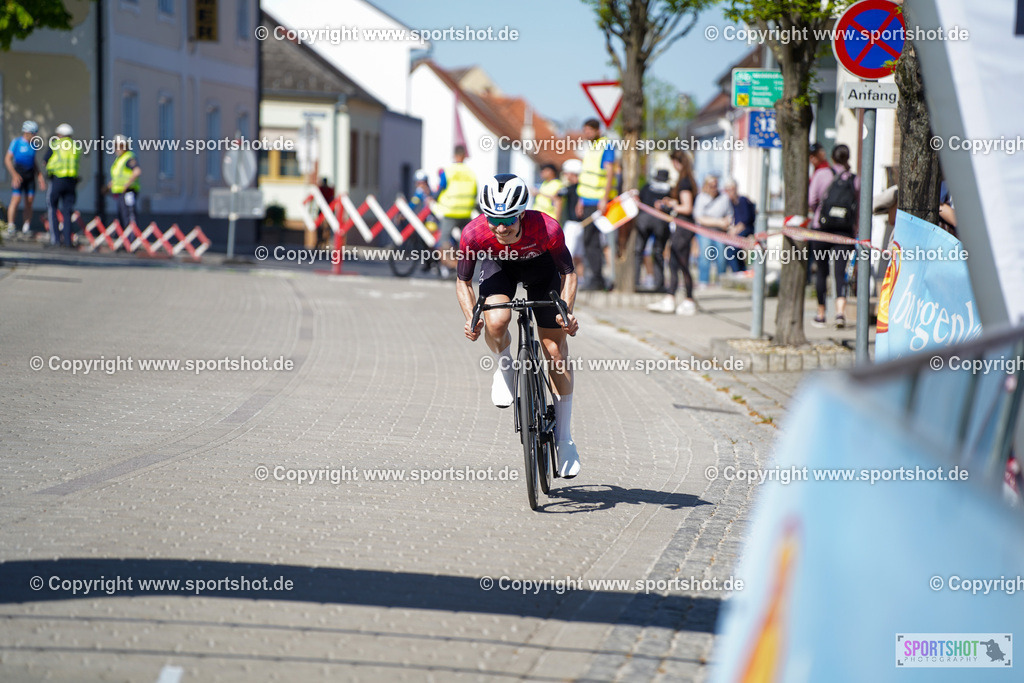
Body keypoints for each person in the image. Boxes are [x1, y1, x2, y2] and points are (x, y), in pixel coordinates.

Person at [455, 174, 581, 478]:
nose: (500, 227)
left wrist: (566, 312)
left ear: (522, 213)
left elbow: (569, 274)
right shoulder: (474, 233)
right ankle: (505, 365)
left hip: (542, 270)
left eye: (508, 219)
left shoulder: (547, 228)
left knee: (554, 351)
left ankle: (564, 439)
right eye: (494, 219)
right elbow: (463, 281)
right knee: (496, 319)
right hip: (501, 269)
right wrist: (471, 316)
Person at [808, 143, 860, 328]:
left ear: (832, 157)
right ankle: (840, 313)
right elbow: (859, 207)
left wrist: (820, 213)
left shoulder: (821, 174)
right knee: (840, 272)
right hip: (844, 232)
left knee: (821, 272)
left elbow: (811, 199)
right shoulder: (855, 179)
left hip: (822, 229)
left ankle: (821, 314)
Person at [648, 150, 698, 315]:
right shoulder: (687, 180)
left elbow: (687, 207)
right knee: (676, 262)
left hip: (684, 226)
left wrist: (670, 206)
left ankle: (687, 299)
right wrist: (671, 202)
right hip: (684, 226)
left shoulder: (684, 182)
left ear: (678, 162)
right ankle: (673, 297)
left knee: (681, 262)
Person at [575, 118, 616, 290]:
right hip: (587, 200)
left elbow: (609, 172)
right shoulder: (590, 148)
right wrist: (580, 200)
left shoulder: (606, 145)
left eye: (589, 131)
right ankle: (595, 277)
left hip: (599, 201)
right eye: (584, 131)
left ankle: (599, 279)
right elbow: (586, 177)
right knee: (589, 241)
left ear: (597, 130)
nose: (586, 134)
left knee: (599, 241)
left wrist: (604, 198)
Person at [633, 168, 673, 292]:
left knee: (638, 251)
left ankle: (634, 282)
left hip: (644, 220)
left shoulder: (647, 187)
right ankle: (659, 283)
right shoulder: (670, 190)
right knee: (658, 252)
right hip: (661, 222)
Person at [5, 121, 46, 237]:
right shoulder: (16, 142)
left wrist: (40, 176)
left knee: (29, 201)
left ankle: (26, 226)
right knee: (16, 200)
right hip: (19, 175)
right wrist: (14, 175)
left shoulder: (34, 145)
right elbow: (7, 159)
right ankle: (11, 225)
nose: (35, 136)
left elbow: (33, 161)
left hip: (30, 176)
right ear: (27, 132)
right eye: (33, 133)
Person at [43, 123, 80, 247]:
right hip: (71, 182)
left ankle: (56, 240)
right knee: (67, 211)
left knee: (52, 207)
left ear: (59, 134)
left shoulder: (55, 145)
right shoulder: (76, 146)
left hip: (57, 180)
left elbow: (45, 161)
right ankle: (68, 241)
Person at [693, 174, 733, 287]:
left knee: (721, 257)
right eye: (711, 185)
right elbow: (699, 218)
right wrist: (719, 222)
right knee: (705, 256)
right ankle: (703, 281)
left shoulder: (724, 198)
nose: (713, 187)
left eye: (715, 185)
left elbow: (729, 214)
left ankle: (721, 281)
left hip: (720, 232)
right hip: (704, 231)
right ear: (705, 185)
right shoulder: (701, 198)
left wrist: (726, 223)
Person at [436, 144, 477, 253]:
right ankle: (463, 261)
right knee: (466, 238)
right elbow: (475, 193)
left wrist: (435, 199)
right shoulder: (470, 173)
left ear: (455, 155)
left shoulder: (448, 171)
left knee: (444, 239)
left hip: (450, 211)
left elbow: (440, 188)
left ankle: (450, 262)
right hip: (466, 213)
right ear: (464, 156)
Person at [106, 135, 141, 231]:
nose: (116, 149)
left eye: (119, 146)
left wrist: (127, 184)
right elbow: (118, 177)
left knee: (129, 217)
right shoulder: (119, 159)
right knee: (121, 217)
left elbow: (137, 171)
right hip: (120, 193)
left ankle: (131, 240)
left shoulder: (129, 158)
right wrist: (110, 186)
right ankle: (125, 241)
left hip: (128, 192)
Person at [722, 178, 756, 272]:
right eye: (727, 190)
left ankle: (737, 273)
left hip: (746, 230)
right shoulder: (728, 203)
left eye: (731, 189)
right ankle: (741, 272)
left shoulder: (743, 200)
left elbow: (746, 220)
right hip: (735, 231)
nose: (729, 192)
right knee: (736, 253)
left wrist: (734, 231)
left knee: (730, 251)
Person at [558, 159, 585, 274]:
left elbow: (558, 194)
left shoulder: (570, 189)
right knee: (579, 255)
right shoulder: (583, 188)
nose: (565, 175)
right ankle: (581, 278)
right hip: (582, 224)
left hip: (573, 224)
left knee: (567, 253)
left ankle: (564, 277)